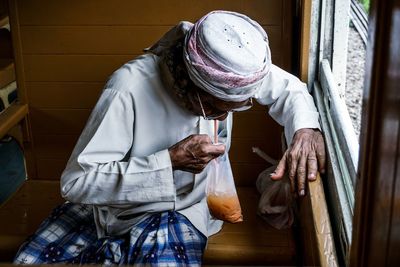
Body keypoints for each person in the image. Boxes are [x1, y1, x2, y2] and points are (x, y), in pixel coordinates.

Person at [14, 10, 325, 266]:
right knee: (30, 260)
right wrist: (168, 162)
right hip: (119, 211)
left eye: (235, 108)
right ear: (193, 85)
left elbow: (291, 90)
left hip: (186, 210)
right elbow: (76, 183)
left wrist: (305, 130)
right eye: (217, 109)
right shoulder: (129, 87)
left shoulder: (233, 68)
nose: (221, 118)